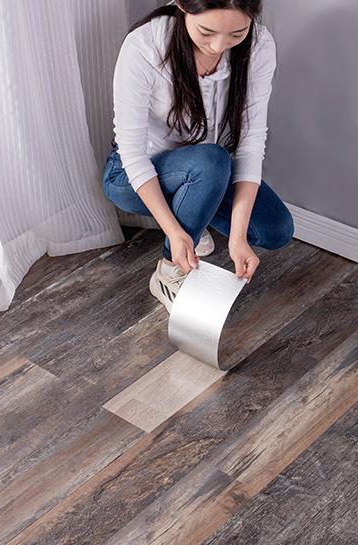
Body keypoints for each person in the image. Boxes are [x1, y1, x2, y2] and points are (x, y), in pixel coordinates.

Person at [102, 0, 294, 312]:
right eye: (207, 32)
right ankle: (168, 272)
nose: (219, 46)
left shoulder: (259, 45)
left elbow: (250, 144)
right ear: (182, 5)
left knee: (276, 230)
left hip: (209, 170)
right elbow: (132, 154)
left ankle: (196, 208)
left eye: (237, 34)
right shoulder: (144, 46)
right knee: (212, 160)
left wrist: (237, 238)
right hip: (131, 173)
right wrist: (175, 233)